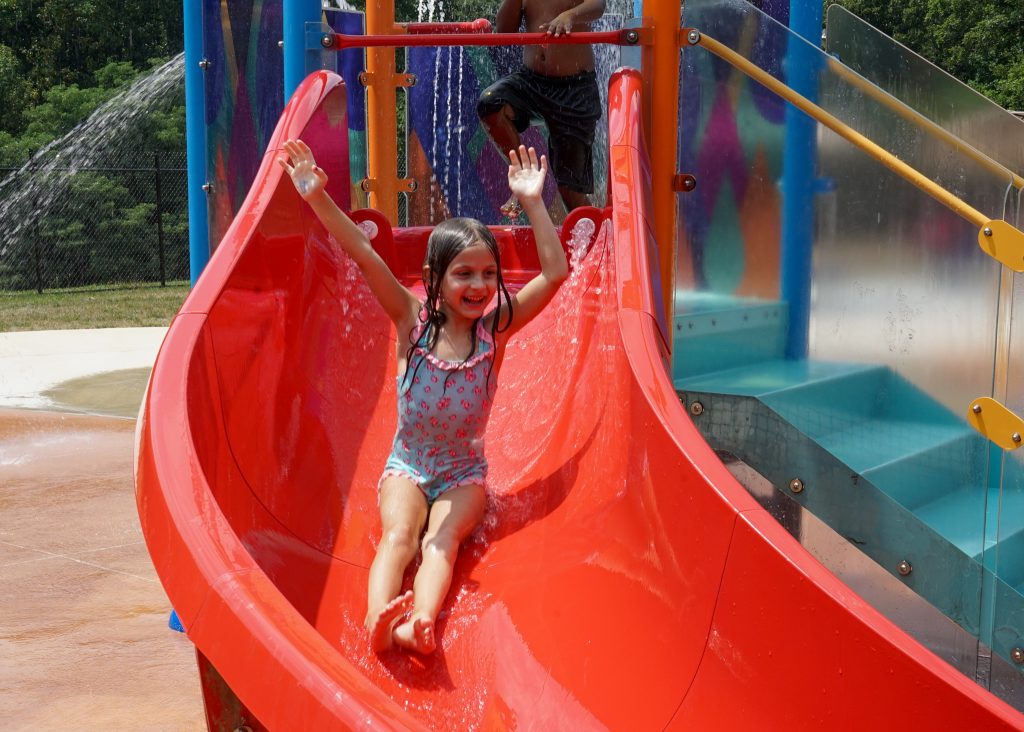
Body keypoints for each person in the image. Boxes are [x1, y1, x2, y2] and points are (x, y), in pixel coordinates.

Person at [278, 139, 569, 654]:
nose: (478, 285)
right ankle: (379, 620)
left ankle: (420, 623)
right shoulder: (410, 324)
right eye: (464, 274)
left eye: (487, 273)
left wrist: (533, 202)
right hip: (408, 466)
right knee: (400, 537)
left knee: (443, 541)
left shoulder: (495, 331)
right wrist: (318, 198)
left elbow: (553, 273)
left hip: (463, 473)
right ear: (434, 280)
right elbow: (364, 254)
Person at [477, 0, 607, 218]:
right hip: (532, 82)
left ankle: (599, 240)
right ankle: (523, 173)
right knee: (491, 103)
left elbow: (599, 5)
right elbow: (504, 31)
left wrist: (571, 15)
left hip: (573, 89)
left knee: (570, 192)